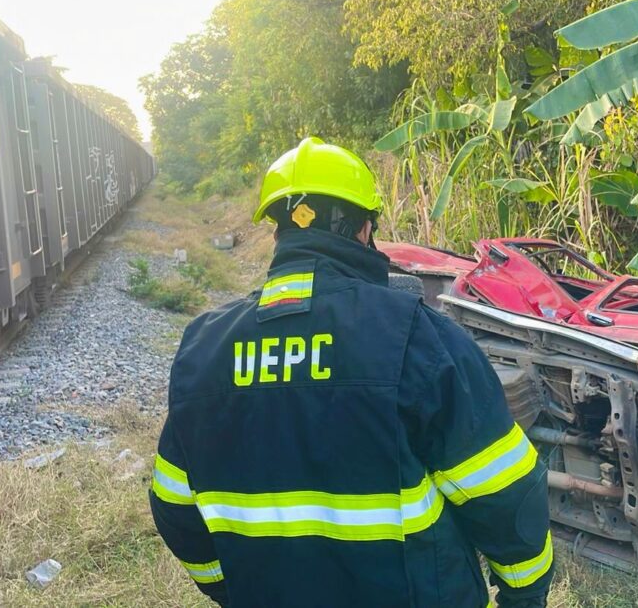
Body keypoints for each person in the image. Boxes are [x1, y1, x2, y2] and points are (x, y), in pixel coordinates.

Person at [149, 137, 553, 607]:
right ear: (365, 230)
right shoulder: (418, 338)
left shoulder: (204, 350)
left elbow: (174, 505)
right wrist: (524, 599)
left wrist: (227, 586)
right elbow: (506, 496)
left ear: (277, 234)